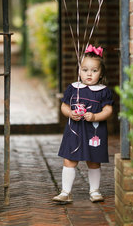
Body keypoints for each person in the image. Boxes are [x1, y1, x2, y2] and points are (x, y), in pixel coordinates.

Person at [53, 44, 113, 204]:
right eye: (85, 70)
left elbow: (108, 110)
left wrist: (95, 116)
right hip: (75, 129)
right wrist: (70, 113)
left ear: (101, 74)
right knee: (69, 160)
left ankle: (94, 190)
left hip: (95, 131)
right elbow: (64, 106)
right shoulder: (73, 88)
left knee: (94, 162)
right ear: (79, 70)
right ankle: (66, 191)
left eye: (94, 71)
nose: (89, 74)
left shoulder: (103, 90)